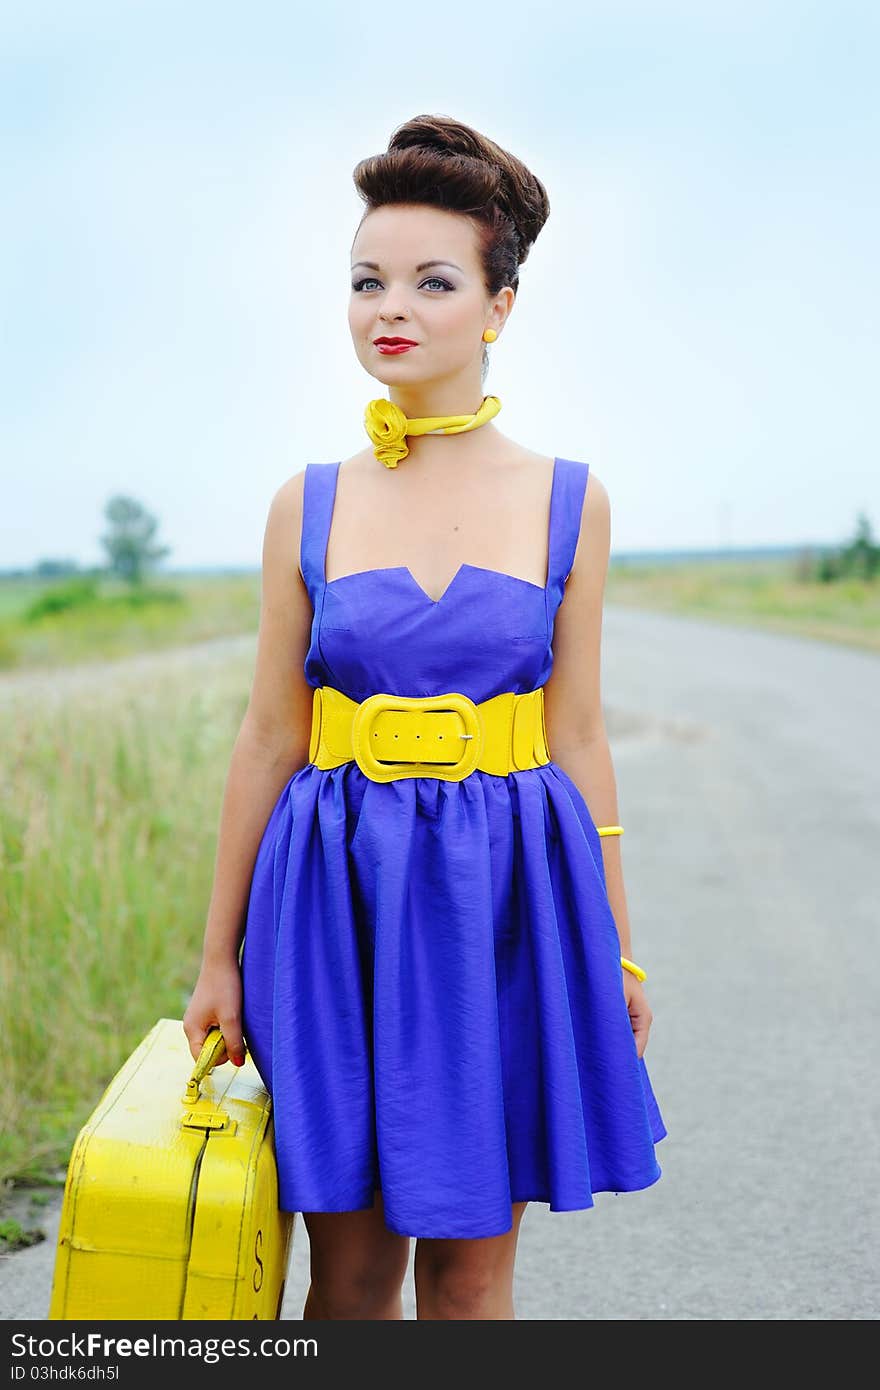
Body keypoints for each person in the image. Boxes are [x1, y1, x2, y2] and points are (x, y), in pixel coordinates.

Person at [183, 113, 667, 1321]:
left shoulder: (570, 501)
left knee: (469, 1273)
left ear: (499, 306)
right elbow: (268, 739)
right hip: (331, 901)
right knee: (347, 1277)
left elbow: (578, 737)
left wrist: (613, 943)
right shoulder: (307, 502)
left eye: (432, 281)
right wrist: (214, 957)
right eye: (366, 281)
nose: (388, 306)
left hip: (503, 903)